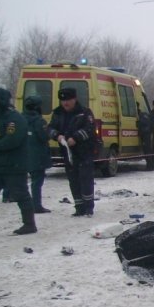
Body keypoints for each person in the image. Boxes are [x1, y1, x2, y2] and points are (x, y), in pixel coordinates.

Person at [48, 87, 97, 216]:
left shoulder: (84, 112)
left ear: (74, 99)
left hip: (84, 151)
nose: (65, 103)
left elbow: (90, 128)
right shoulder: (57, 113)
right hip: (68, 152)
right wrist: (57, 136)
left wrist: (76, 138)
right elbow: (50, 128)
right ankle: (79, 207)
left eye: (68, 100)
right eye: (63, 100)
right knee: (73, 180)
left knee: (85, 179)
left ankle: (89, 207)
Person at [0, 86, 36, 234]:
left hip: (14, 165)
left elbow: (12, 140)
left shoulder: (15, 119)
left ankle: (29, 225)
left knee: (20, 194)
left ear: (0, 100)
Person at [23, 95, 52, 213]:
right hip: (38, 156)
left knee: (21, 182)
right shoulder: (39, 121)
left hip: (23, 155)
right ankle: (36, 205)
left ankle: (24, 203)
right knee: (37, 182)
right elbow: (44, 136)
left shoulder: (20, 119)